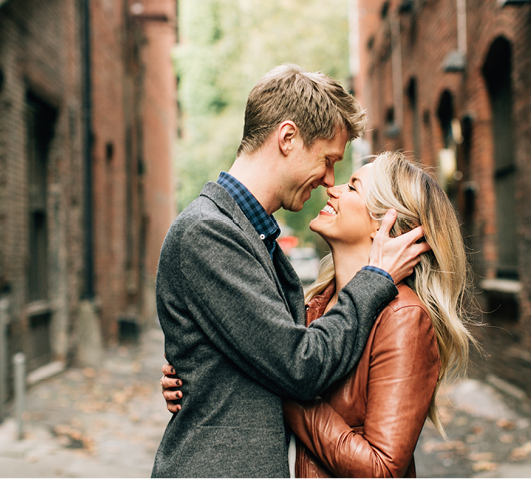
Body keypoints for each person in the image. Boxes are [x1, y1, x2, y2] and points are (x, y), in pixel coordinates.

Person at [152, 64, 429, 478]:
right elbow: (298, 365)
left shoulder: (253, 237)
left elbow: (274, 349)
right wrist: (376, 279)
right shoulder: (209, 232)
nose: (328, 180)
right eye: (328, 160)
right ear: (287, 138)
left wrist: (203, 366)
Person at [162, 151, 475, 477]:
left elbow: (382, 469)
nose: (333, 188)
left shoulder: (403, 317)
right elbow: (276, 354)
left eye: (353, 187)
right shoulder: (312, 303)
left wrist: (283, 385)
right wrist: (203, 373)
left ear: (386, 223)